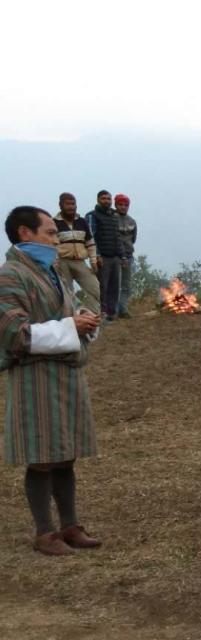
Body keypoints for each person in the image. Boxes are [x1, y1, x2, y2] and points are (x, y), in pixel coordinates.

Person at [0, 206, 102, 555]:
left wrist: (81, 319)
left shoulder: (53, 271)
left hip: (65, 374)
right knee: (41, 455)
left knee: (65, 453)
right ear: (24, 233)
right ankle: (46, 533)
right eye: (49, 233)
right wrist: (69, 327)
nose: (55, 240)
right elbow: (15, 334)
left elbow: (60, 314)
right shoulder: (11, 276)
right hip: (35, 379)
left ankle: (70, 525)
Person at [53, 193, 101, 315]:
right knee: (66, 293)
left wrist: (93, 262)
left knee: (95, 289)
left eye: (73, 204)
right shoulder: (54, 223)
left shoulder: (82, 221)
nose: (71, 207)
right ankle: (72, 318)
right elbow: (51, 245)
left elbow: (90, 243)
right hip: (62, 261)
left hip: (80, 261)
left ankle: (92, 316)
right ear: (60, 205)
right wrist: (54, 264)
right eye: (67, 204)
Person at [85, 190, 122, 321]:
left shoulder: (113, 216)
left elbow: (117, 237)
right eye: (104, 198)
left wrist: (121, 255)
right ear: (98, 200)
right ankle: (101, 312)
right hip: (102, 257)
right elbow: (90, 237)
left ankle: (112, 313)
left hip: (114, 257)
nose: (106, 201)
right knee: (101, 286)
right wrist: (97, 255)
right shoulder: (92, 216)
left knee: (114, 286)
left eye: (108, 198)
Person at [114, 194, 138, 319]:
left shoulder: (132, 221)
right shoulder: (112, 219)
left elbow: (133, 239)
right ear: (116, 205)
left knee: (126, 285)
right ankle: (113, 311)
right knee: (115, 285)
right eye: (120, 204)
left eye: (125, 205)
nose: (123, 207)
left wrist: (127, 254)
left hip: (129, 256)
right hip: (115, 257)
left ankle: (123, 309)